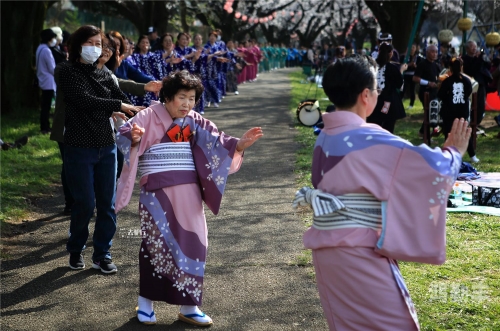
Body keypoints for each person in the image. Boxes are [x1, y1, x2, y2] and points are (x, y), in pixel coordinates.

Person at [293, 54, 469, 330]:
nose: (376, 93)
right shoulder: (367, 137)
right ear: (366, 95)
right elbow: (432, 169)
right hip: (358, 250)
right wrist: (454, 152)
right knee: (393, 324)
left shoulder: (326, 135)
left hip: (327, 250)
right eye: (375, 89)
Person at [114, 70, 263, 327]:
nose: (187, 104)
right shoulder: (149, 115)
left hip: (189, 191)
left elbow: (218, 143)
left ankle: (190, 305)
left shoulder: (195, 121)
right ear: (168, 96)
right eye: (182, 97)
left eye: (192, 99)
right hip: (157, 192)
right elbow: (125, 134)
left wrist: (238, 146)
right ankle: (146, 302)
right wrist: (133, 137)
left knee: (195, 243)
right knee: (155, 245)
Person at [58, 25, 144, 273]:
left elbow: (124, 102)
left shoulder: (106, 75)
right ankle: (76, 249)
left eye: (99, 44)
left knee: (107, 204)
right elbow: (84, 99)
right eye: (91, 43)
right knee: (84, 203)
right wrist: (118, 104)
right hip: (79, 148)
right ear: (78, 45)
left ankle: (102, 254)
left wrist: (146, 114)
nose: (95, 48)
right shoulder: (68, 72)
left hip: (106, 147)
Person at [438, 58, 479, 163]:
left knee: (448, 133)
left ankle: (448, 154)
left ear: (450, 68)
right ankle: (472, 155)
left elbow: (441, 95)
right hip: (462, 110)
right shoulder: (466, 80)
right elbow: (469, 92)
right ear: (461, 67)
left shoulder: (447, 81)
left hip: (449, 111)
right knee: (464, 131)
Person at [367, 43, 407, 133]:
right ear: (391, 53)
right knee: (387, 129)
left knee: (373, 127)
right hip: (388, 102)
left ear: (379, 52)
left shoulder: (370, 67)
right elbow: (399, 85)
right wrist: (401, 71)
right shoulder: (392, 68)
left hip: (373, 101)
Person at [413, 44, 441, 138]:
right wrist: (428, 83)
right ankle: (425, 134)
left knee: (432, 112)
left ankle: (424, 132)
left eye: (436, 52)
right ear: (427, 52)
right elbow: (415, 78)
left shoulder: (436, 65)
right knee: (429, 111)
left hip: (435, 91)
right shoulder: (422, 64)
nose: (435, 54)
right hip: (425, 91)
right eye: (433, 52)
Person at [462, 40, 491, 126]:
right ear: (467, 49)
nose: (474, 48)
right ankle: (470, 122)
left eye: (475, 46)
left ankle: (476, 123)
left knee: (481, 106)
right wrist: (478, 58)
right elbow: (473, 70)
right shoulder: (465, 59)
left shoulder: (480, 57)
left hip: (481, 85)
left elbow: (488, 66)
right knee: (471, 105)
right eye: (472, 46)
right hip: (471, 85)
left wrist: (483, 58)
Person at [36, 28, 57, 134]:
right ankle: (45, 127)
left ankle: (44, 126)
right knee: (46, 107)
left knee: (45, 105)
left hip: (42, 79)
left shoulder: (40, 48)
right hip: (48, 82)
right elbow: (52, 68)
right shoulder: (47, 50)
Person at [401, 42, 422, 109]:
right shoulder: (404, 57)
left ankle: (411, 104)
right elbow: (401, 65)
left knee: (412, 90)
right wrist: (409, 64)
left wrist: (416, 66)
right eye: (411, 47)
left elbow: (420, 67)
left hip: (413, 76)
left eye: (413, 47)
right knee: (403, 89)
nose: (412, 49)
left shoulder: (418, 58)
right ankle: (399, 102)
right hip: (405, 75)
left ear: (416, 49)